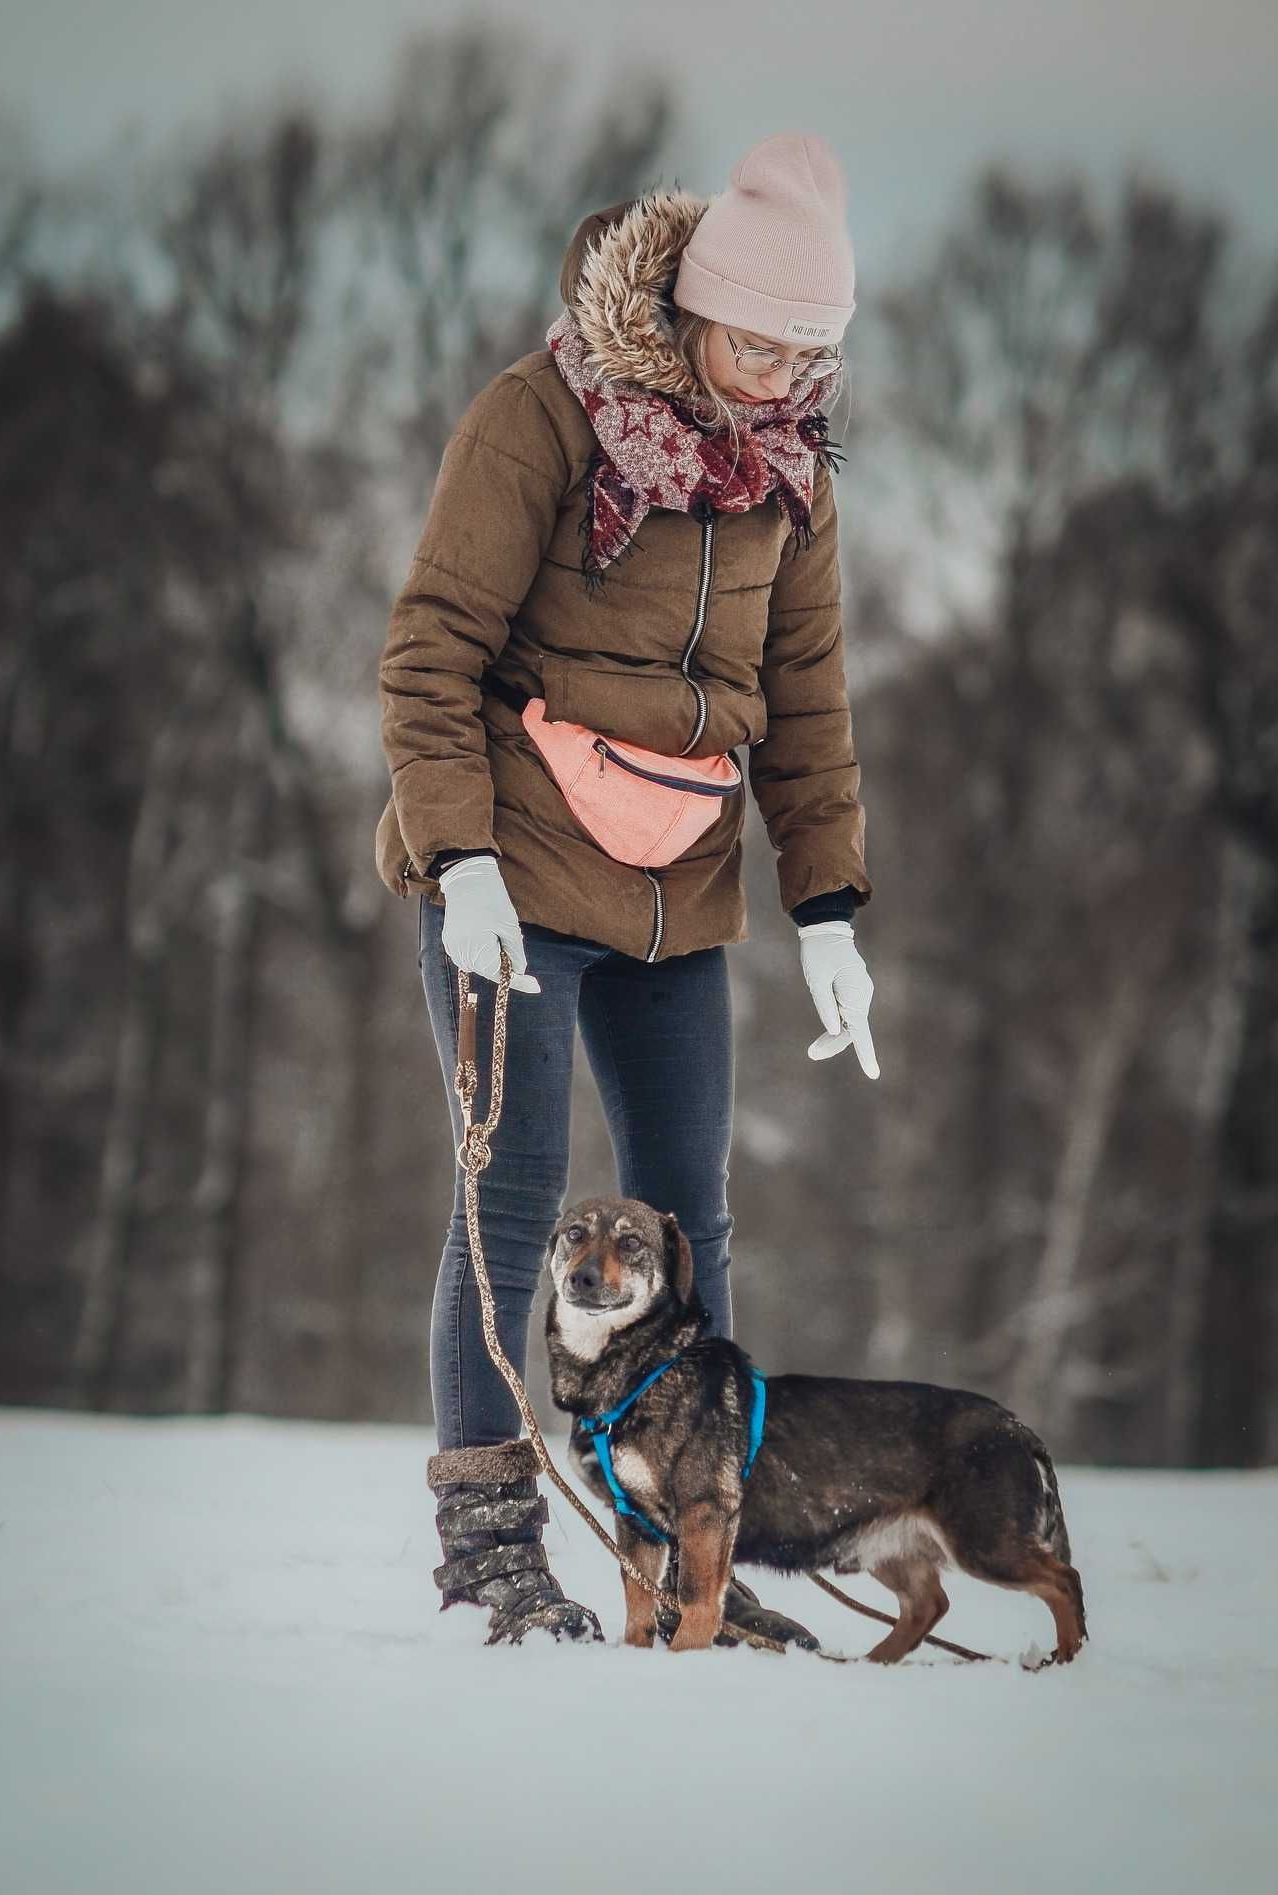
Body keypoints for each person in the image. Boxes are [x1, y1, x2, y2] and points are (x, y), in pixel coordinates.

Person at [375, 132, 878, 1646]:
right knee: (511, 1214)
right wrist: (458, 862)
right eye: (755, 338)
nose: (778, 372)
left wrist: (832, 910)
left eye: (811, 349)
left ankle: (698, 1569)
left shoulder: (790, 478)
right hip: (513, 878)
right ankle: (494, 1561)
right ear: (688, 304)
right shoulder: (541, 420)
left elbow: (809, 701)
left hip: (681, 891)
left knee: (691, 1226)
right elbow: (429, 652)